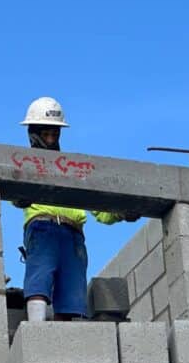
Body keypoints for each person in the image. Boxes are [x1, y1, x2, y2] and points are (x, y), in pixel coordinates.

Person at [17, 97, 137, 322]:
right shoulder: (27, 163)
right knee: (39, 278)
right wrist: (21, 196)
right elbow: (16, 193)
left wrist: (122, 213)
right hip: (43, 227)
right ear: (33, 133)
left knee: (72, 291)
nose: (51, 139)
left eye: (55, 134)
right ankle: (36, 332)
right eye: (46, 134)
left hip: (73, 236)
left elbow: (100, 209)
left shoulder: (73, 167)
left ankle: (65, 341)